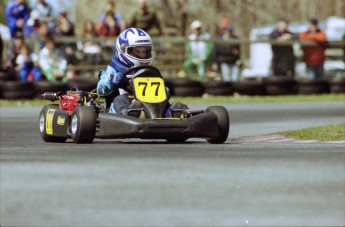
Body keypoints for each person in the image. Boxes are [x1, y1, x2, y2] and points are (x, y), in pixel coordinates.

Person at [96, 28, 184, 115]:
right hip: (120, 108)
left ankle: (174, 113)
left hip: (150, 104)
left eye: (145, 51)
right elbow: (101, 89)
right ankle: (129, 113)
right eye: (137, 51)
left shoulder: (149, 70)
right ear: (123, 49)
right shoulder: (113, 69)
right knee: (121, 100)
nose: (142, 55)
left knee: (166, 104)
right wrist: (114, 82)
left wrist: (164, 90)